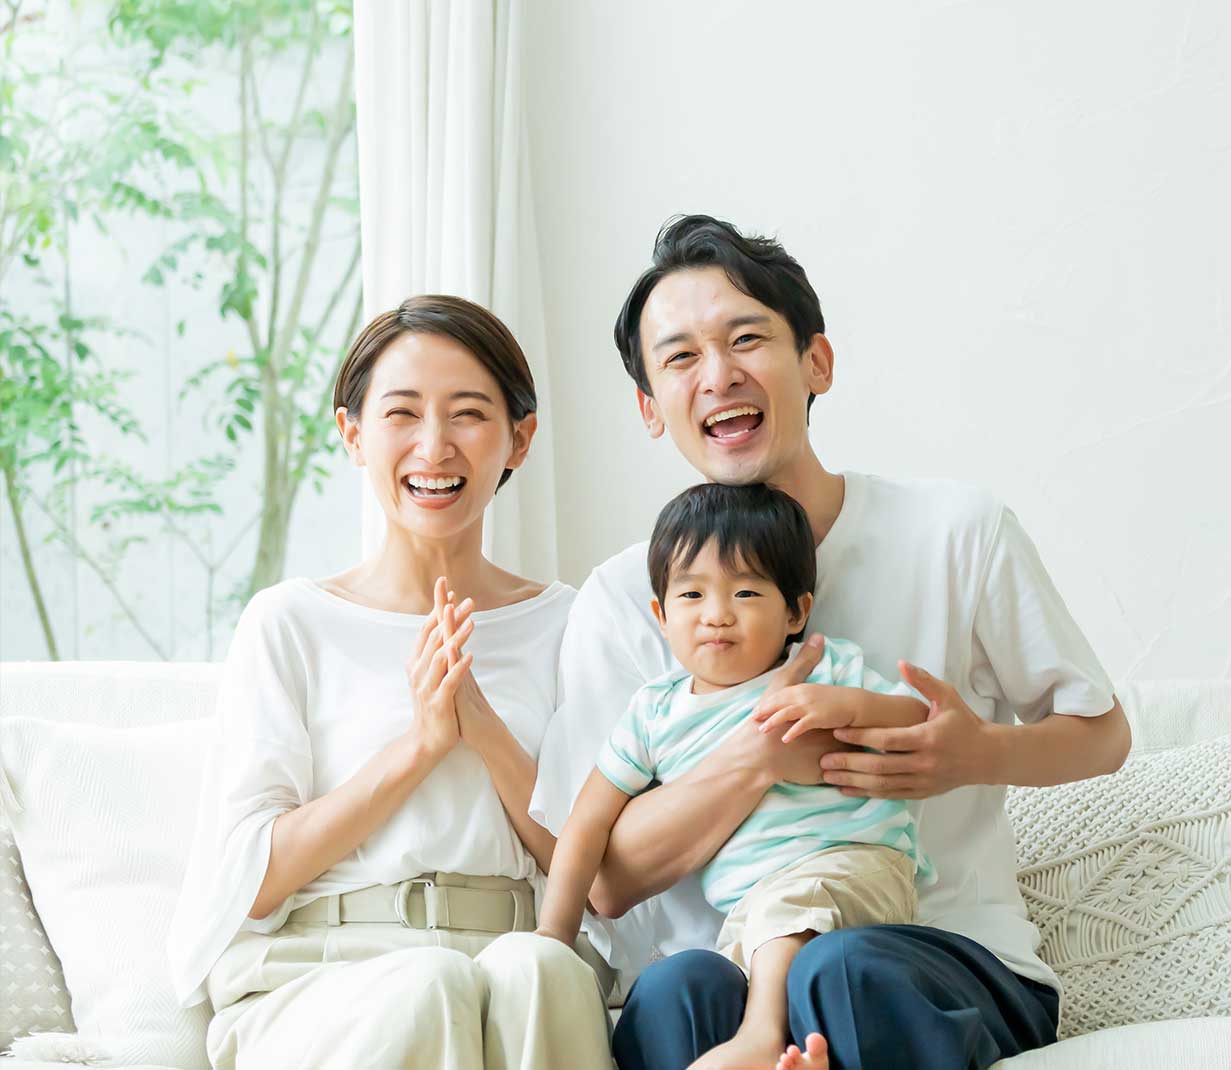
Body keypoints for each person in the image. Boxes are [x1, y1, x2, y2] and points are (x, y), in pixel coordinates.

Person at [531, 215, 1134, 1070]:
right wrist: (758, 756)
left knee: (839, 970)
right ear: (650, 408)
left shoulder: (956, 531)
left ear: (817, 361)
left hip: (935, 957)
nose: (718, 375)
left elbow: (1104, 736)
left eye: (746, 338)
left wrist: (977, 754)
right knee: (671, 992)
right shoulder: (629, 599)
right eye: (681, 357)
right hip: (731, 968)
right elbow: (607, 879)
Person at [166, 295, 612, 1070]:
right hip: (320, 976)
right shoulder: (291, 623)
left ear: (520, 438)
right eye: (402, 413)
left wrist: (485, 731)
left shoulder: (571, 623)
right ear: (353, 435)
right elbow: (249, 879)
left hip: (512, 962)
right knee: (430, 985)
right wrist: (420, 746)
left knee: (544, 969)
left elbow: (602, 880)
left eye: (468, 414)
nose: (434, 446)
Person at [538, 481, 939, 1070]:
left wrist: (849, 707)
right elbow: (586, 823)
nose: (717, 615)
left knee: (785, 911)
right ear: (661, 615)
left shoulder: (823, 668)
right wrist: (553, 938)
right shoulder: (654, 713)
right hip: (749, 908)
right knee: (743, 954)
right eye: (692, 594)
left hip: (855, 866)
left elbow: (919, 723)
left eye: (746, 591)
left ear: (796, 611)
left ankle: (759, 1038)